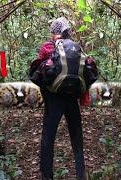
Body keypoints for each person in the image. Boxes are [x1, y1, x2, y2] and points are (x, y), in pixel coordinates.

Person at [31, 17, 95, 180]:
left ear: (55, 32)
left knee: (49, 137)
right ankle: (81, 174)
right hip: (72, 99)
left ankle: (47, 175)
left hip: (53, 99)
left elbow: (39, 73)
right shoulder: (77, 48)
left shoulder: (48, 47)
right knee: (76, 137)